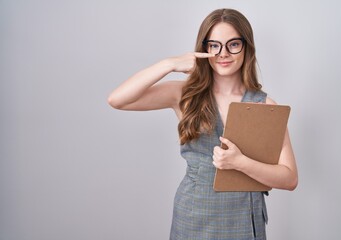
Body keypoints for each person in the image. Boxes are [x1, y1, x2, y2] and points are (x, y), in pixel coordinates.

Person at [108, 8, 298, 240]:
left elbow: (289, 179)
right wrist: (169, 64)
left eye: (233, 44)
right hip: (194, 215)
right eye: (214, 45)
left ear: (246, 47)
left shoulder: (264, 104)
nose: (223, 53)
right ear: (204, 48)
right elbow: (117, 100)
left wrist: (240, 163)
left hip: (243, 219)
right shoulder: (185, 94)